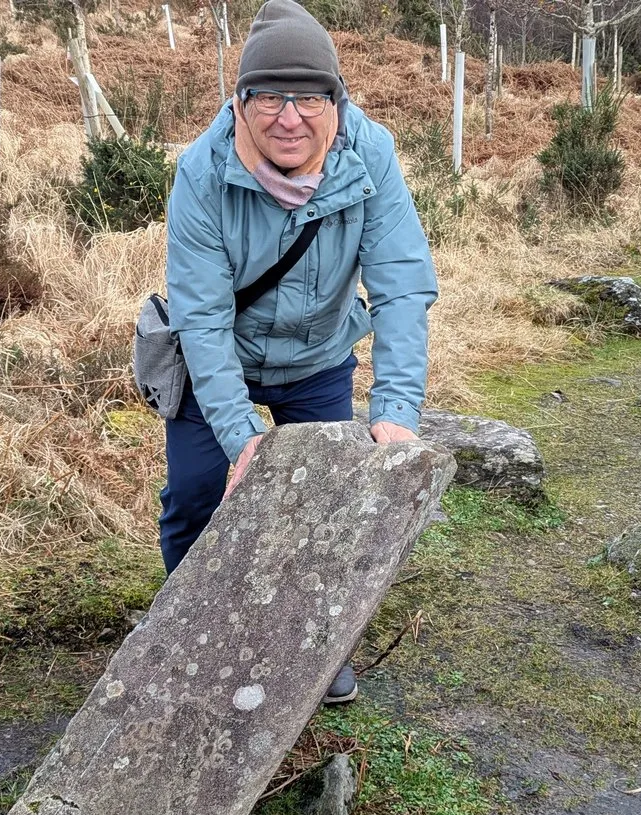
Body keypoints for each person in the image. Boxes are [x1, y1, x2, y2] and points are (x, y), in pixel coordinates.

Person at [162, 0, 438, 704]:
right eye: (270, 97)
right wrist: (240, 437)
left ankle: (317, 642)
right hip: (219, 357)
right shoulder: (201, 171)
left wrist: (397, 408)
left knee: (329, 503)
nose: (290, 117)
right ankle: (193, 629)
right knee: (197, 497)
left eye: (310, 97)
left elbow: (402, 284)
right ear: (240, 100)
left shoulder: (370, 155)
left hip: (319, 354)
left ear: (336, 101)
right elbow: (201, 315)